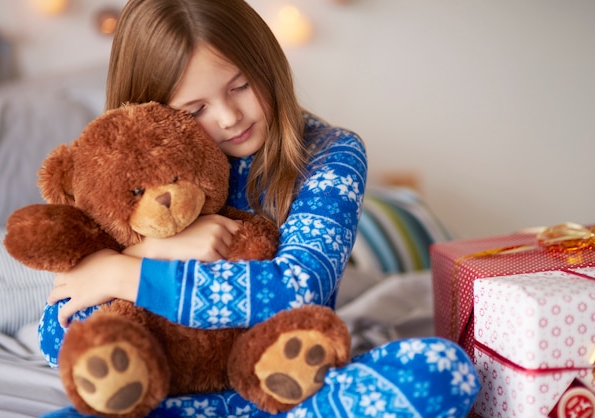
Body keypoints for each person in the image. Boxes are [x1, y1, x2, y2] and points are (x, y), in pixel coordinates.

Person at [39, 0, 480, 416]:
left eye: (241, 85)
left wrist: (125, 273)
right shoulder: (124, 178)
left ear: (268, 64)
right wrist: (150, 249)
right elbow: (56, 336)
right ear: (150, 112)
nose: (230, 116)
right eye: (196, 110)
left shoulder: (330, 153)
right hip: (170, 397)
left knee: (443, 371)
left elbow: (296, 290)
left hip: (289, 392)